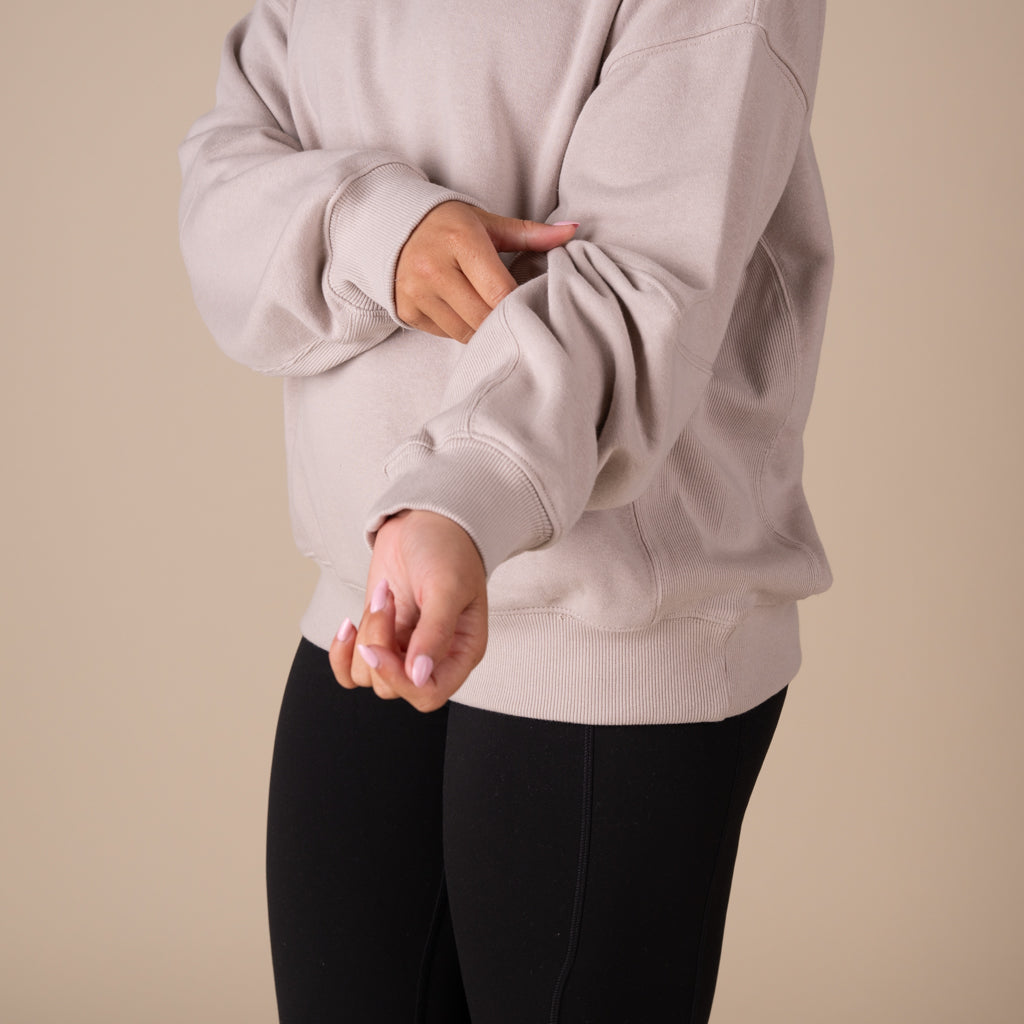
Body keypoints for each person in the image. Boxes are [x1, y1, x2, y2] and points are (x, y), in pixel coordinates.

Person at [178, 0, 833, 1020]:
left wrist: (461, 495)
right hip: (369, 599)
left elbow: (637, 280)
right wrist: (375, 231)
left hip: (613, 626)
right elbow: (221, 184)